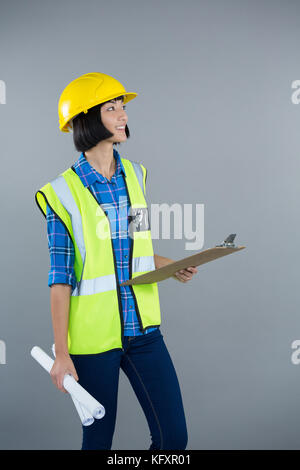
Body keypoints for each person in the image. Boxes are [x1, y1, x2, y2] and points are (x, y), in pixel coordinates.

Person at [35, 72, 198, 450]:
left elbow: (132, 247)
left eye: (123, 107)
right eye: (112, 108)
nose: (123, 115)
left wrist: (168, 266)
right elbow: (61, 277)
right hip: (94, 340)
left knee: (173, 438)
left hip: (143, 331)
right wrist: (62, 352)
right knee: (98, 440)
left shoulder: (136, 176)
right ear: (88, 120)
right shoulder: (61, 193)